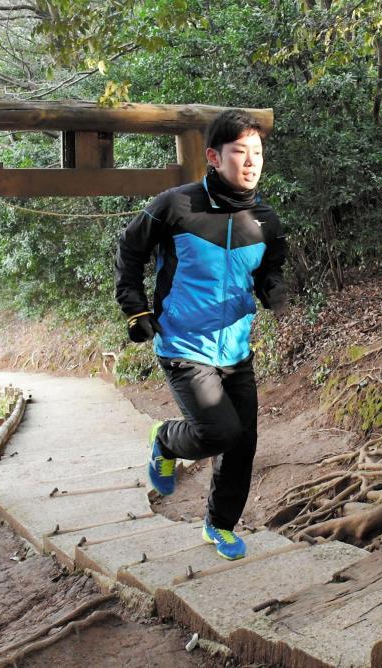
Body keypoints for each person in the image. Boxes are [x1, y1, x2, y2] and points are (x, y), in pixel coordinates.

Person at [114, 109, 287, 560]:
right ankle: (166, 439)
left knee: (243, 443)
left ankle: (219, 525)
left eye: (257, 153)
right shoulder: (175, 206)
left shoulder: (265, 220)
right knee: (219, 432)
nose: (250, 162)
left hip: (235, 349)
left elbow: (271, 269)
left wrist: (273, 290)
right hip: (184, 347)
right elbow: (130, 250)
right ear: (213, 156)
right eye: (239, 153)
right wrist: (136, 308)